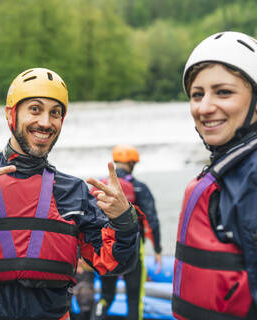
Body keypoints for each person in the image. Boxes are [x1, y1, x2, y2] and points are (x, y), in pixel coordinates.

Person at [0, 67, 140, 320]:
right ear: (11, 114)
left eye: (55, 113)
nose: (45, 122)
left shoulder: (73, 192)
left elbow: (116, 263)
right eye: (35, 109)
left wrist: (124, 220)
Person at [172, 31, 257, 320]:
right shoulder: (231, 170)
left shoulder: (252, 179)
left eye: (223, 92)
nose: (204, 107)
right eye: (197, 94)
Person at [92, 145, 162, 320]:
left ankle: (97, 315)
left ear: (116, 162)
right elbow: (152, 220)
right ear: (132, 164)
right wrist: (158, 249)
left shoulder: (103, 186)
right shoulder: (139, 188)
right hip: (133, 249)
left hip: (107, 248)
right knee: (134, 297)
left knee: (106, 295)